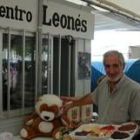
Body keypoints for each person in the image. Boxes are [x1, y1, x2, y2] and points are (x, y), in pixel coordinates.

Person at [61, 50, 140, 125]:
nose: (111, 71)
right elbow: (90, 98)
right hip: (100, 134)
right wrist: (71, 103)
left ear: (123, 66)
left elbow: (136, 123)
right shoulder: (103, 83)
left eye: (115, 66)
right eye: (107, 66)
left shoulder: (135, 90)